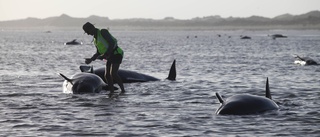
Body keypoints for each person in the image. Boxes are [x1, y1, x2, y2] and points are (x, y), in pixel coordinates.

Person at [82, 22, 125, 97]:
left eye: (88, 32)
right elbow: (98, 52)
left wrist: (107, 54)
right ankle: (111, 92)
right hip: (110, 56)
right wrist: (91, 59)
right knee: (107, 75)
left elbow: (112, 43)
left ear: (92, 28)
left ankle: (123, 91)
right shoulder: (95, 39)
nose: (88, 34)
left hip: (116, 54)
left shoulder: (103, 32)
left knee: (113, 74)